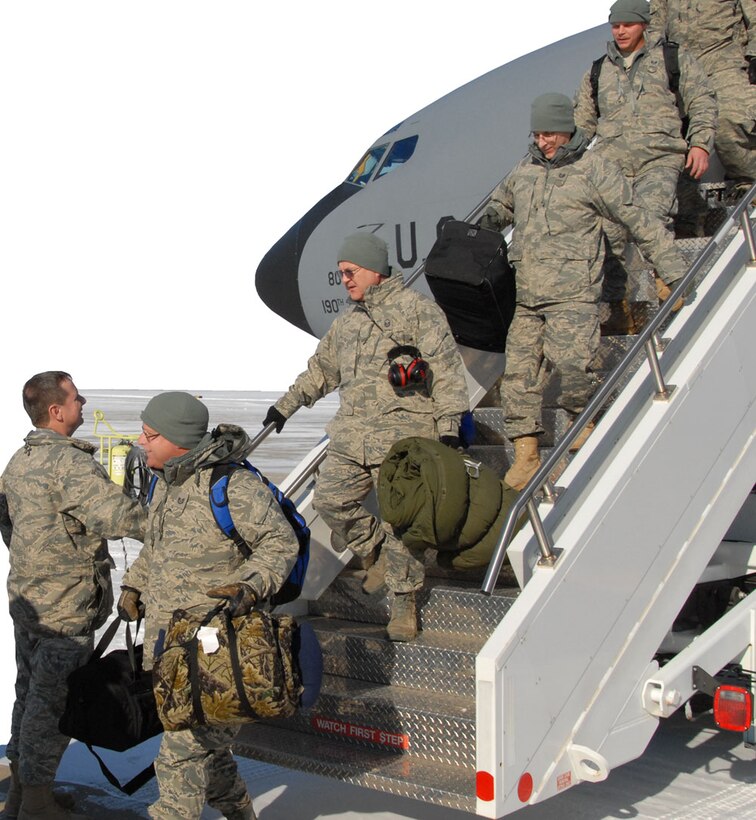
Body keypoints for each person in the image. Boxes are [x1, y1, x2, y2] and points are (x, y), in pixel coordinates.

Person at [263, 232, 469, 642]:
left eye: (350, 272)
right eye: (341, 274)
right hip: (352, 436)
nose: (345, 281)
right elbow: (320, 373)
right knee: (329, 500)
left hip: (404, 438)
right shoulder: (347, 325)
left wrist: (448, 427)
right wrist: (284, 407)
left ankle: (405, 602)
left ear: (375, 269)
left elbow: (446, 371)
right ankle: (375, 550)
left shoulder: (417, 313)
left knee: (401, 520)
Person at [478, 93, 687, 490]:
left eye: (550, 134)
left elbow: (636, 218)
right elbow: (500, 206)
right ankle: (526, 454)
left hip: (573, 294)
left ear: (568, 130)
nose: (543, 143)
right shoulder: (525, 171)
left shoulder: (593, 170)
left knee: (575, 366)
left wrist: (672, 270)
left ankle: (583, 424)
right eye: (537, 135)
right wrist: (478, 229)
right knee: (518, 379)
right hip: (526, 296)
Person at [118, 392, 299, 820]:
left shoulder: (232, 486)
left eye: (151, 435)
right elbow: (155, 548)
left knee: (180, 756)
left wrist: (249, 587)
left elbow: (280, 544)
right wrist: (134, 587)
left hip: (214, 651)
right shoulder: (167, 481)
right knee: (209, 753)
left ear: (179, 439)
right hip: (169, 647)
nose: (141, 443)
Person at [0, 371, 146, 820]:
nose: (83, 403)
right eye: (76, 397)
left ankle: (22, 796)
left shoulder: (19, 461)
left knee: (28, 695)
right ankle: (38, 803)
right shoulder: (71, 464)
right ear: (57, 411)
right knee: (54, 704)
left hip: (30, 601)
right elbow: (121, 518)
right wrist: (175, 516)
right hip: (65, 609)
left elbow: (8, 525)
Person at [573, 0, 717, 333]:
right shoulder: (598, 70)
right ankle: (617, 308)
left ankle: (666, 280)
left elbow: (702, 100)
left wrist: (699, 144)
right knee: (607, 235)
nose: (620, 31)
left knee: (651, 215)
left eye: (627, 24)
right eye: (615, 25)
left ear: (643, 25)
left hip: (659, 157)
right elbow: (581, 125)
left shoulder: (671, 58)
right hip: (614, 168)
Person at [650, 0, 755, 191]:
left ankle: (749, 180)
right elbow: (654, 27)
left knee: (726, 120)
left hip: (725, 62)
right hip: (684, 69)